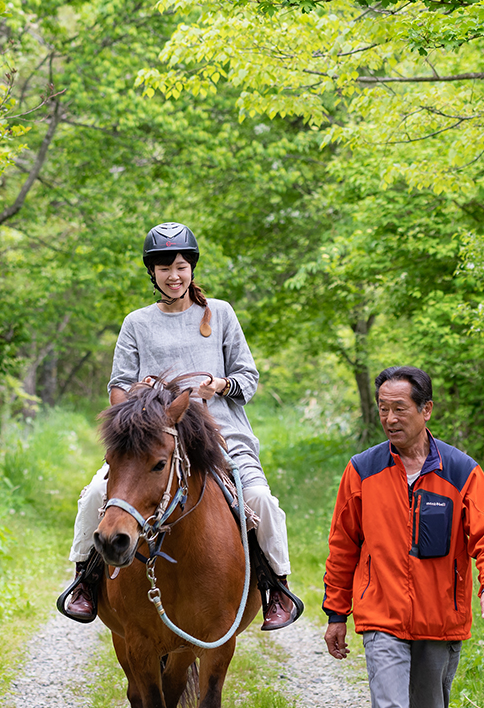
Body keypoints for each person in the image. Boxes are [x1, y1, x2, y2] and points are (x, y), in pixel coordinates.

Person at [55, 222, 304, 630]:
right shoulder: (136, 323)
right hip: (155, 439)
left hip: (220, 437)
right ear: (151, 274)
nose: (174, 275)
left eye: (181, 266)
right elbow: (117, 388)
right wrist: (140, 398)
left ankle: (275, 585)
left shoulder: (219, 313)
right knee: (96, 495)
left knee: (258, 499)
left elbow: (249, 377)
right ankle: (85, 580)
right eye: (165, 268)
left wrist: (221, 384)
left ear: (192, 269)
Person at [322, 366, 484, 708]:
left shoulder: (461, 471)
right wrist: (336, 613)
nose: (389, 418)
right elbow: (343, 544)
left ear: (426, 411)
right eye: (382, 409)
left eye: (399, 409)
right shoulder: (362, 470)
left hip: (440, 622)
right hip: (381, 617)